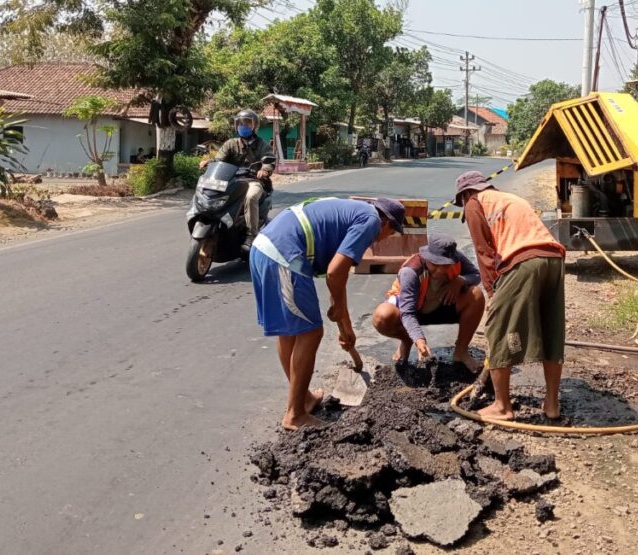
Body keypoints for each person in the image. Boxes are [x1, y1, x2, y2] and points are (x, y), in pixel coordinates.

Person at [249, 197, 405, 430]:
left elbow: (336, 277)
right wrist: (341, 313)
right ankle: (295, 414)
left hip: (264, 248)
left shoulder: (353, 212)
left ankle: (303, 399)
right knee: (311, 333)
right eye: (391, 233)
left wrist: (344, 322)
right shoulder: (371, 221)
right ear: (385, 223)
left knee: (290, 332)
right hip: (284, 254)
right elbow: (335, 273)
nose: (384, 240)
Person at [454, 170, 567, 420]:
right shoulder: (510, 199)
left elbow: (484, 255)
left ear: (466, 193)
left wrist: (492, 293)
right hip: (553, 261)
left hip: (523, 262)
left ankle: (502, 407)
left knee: (498, 327)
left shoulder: (474, 203)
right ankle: (551, 405)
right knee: (551, 329)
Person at [371, 234, 485, 371]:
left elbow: (477, 275)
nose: (440, 270)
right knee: (382, 316)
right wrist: (419, 339)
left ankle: (461, 352)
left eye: (445, 265)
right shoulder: (410, 271)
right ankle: (406, 339)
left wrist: (459, 281)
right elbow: (407, 313)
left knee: (476, 294)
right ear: (426, 257)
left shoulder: (457, 258)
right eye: (435, 264)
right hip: (412, 311)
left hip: (442, 306)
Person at [200, 109, 275, 252]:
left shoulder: (261, 145)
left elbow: (269, 160)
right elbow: (219, 159)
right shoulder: (231, 144)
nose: (243, 126)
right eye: (239, 123)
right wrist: (209, 162)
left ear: (254, 126)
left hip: (253, 181)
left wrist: (264, 170)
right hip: (232, 180)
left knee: (251, 197)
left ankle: (251, 234)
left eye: (247, 123)